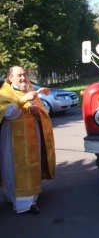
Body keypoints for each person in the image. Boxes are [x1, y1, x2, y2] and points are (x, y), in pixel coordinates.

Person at [0, 66, 56, 214]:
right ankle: (19, 202)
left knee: (33, 165)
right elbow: (7, 115)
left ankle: (32, 199)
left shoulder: (30, 90)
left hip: (32, 134)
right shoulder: (4, 93)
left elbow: (44, 112)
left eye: (24, 74)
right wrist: (24, 100)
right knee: (13, 169)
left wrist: (37, 113)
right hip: (12, 137)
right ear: (10, 77)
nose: (23, 78)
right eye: (19, 75)